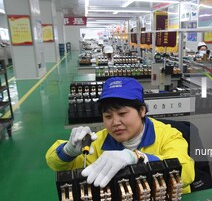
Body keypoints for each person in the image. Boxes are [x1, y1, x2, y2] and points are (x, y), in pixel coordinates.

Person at [46, 77, 195, 193]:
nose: (115, 122)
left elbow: (186, 171)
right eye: (108, 116)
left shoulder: (168, 135)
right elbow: (57, 164)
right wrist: (68, 151)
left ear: (142, 111)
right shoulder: (98, 142)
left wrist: (138, 157)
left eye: (122, 113)